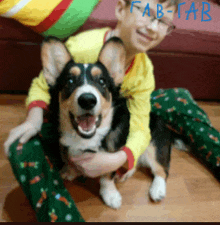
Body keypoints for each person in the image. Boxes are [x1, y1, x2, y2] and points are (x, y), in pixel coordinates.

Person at [4, 0, 220, 222]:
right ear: (120, 9)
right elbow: (43, 84)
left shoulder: (145, 72)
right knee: (20, 145)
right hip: (71, 115)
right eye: (147, 12)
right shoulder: (83, 47)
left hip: (117, 114)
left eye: (163, 21)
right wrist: (33, 119)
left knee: (178, 98)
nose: (153, 27)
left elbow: (140, 125)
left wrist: (120, 159)